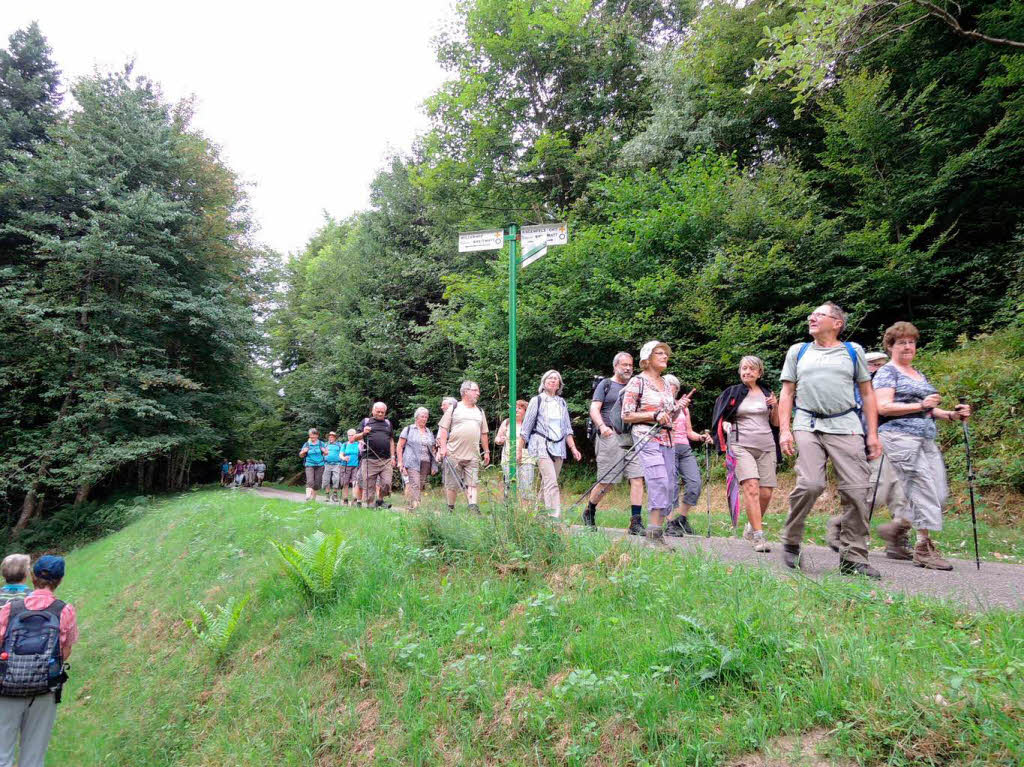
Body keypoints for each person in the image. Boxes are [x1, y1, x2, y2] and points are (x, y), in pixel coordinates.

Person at [778, 302, 882, 578]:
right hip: (808, 423)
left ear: (837, 323)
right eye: (811, 314)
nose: (812, 317)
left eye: (820, 314)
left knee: (857, 490)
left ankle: (853, 558)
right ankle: (791, 539)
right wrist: (785, 430)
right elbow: (787, 393)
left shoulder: (853, 351)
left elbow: (868, 394)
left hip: (846, 424)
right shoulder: (798, 351)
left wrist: (872, 434)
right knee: (811, 483)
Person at [872, 322, 971, 570]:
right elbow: (883, 407)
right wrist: (921, 406)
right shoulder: (887, 372)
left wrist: (951, 415)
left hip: (925, 436)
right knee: (922, 487)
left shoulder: (917, 374)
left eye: (912, 342)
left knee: (938, 490)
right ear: (891, 346)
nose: (908, 346)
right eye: (902, 342)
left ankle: (896, 528)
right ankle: (923, 547)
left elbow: (927, 408)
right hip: (899, 437)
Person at [0, 555, 79, 767]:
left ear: (32, 577)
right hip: (45, 689)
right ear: (60, 580)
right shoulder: (65, 611)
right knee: (33, 757)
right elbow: (65, 651)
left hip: (6, 687)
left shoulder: (10, 609)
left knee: (2, 754)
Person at [710, 357, 782, 553]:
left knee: (766, 493)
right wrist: (724, 427)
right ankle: (759, 537)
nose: (747, 372)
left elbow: (776, 423)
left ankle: (751, 527)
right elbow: (720, 416)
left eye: (751, 369)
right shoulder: (732, 392)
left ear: (759, 373)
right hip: (741, 445)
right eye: (743, 368)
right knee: (751, 488)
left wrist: (775, 405)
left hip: (767, 446)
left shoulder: (768, 393)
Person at [621, 341, 680, 544]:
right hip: (646, 436)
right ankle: (654, 535)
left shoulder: (665, 384)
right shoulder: (638, 381)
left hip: (667, 438)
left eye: (666, 354)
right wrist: (654, 415)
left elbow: (669, 413)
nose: (665, 357)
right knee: (659, 481)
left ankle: (656, 533)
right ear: (647, 358)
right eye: (659, 353)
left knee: (670, 486)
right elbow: (626, 415)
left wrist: (677, 408)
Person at [584, 352, 646, 534]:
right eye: (624, 365)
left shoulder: (636, 387)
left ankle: (635, 522)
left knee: (637, 477)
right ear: (615, 367)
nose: (628, 368)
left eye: (630, 365)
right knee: (608, 481)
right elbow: (594, 408)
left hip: (632, 436)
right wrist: (602, 427)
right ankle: (589, 510)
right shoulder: (606, 385)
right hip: (609, 434)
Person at [518, 371, 583, 518]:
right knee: (551, 482)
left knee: (546, 484)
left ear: (559, 384)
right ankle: (554, 519)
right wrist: (519, 449)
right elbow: (526, 427)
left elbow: (567, 428)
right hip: (541, 445)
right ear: (544, 381)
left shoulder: (562, 403)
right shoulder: (537, 400)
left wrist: (573, 448)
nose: (553, 381)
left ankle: (539, 517)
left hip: (559, 447)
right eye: (550, 378)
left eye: (556, 379)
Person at [662, 374, 713, 538]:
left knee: (695, 483)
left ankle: (681, 519)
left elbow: (689, 432)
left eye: (674, 387)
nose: (672, 389)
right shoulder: (660, 405)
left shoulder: (684, 408)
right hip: (668, 447)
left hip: (684, 449)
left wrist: (701, 437)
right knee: (672, 485)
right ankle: (669, 524)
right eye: (668, 386)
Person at [437, 381, 490, 513]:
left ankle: (473, 507)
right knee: (452, 485)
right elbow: (443, 429)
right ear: (466, 391)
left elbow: (484, 433)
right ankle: (450, 508)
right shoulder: (454, 408)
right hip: (453, 453)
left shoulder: (480, 411)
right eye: (475, 390)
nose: (478, 393)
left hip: (473, 455)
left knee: (472, 483)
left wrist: (487, 451)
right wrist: (443, 448)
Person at [354, 403, 396, 508]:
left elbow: (391, 440)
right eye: (378, 412)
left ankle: (380, 500)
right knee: (369, 485)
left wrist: (393, 456)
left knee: (387, 482)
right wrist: (363, 433)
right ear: (373, 411)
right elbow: (354, 437)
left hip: (385, 459)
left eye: (383, 412)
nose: (380, 414)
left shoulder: (387, 423)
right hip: (369, 459)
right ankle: (370, 505)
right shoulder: (366, 421)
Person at [495, 401, 536, 501]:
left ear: (526, 411)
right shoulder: (507, 422)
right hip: (508, 458)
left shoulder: (530, 424)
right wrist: (500, 440)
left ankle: (524, 511)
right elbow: (497, 439)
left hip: (527, 458)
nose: (516, 410)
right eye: (514, 408)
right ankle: (510, 509)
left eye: (520, 408)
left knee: (526, 487)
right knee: (510, 485)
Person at [398, 408, 438, 509]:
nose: (424, 419)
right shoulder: (409, 429)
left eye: (426, 417)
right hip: (411, 461)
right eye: (422, 417)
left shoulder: (429, 432)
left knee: (419, 485)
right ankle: (417, 507)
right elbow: (400, 446)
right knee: (415, 483)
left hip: (425, 462)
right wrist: (400, 462)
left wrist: (434, 465)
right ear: (416, 417)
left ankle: (411, 505)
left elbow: (432, 450)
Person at [299, 429, 327, 502]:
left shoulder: (321, 444)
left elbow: (326, 453)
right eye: (311, 436)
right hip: (309, 464)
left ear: (317, 436)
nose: (312, 438)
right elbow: (301, 455)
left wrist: (324, 451)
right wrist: (303, 451)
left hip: (320, 465)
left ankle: (313, 499)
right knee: (310, 481)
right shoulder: (306, 444)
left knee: (317, 483)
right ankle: (308, 496)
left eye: (314, 437)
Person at [322, 432, 346, 503]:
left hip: (337, 464)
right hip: (326, 464)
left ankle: (335, 495)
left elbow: (343, 453)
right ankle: (327, 495)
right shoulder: (325, 444)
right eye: (330, 437)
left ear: (335, 438)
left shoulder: (339, 445)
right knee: (326, 480)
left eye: (332, 437)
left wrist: (342, 460)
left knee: (336, 479)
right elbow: (322, 453)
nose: (331, 438)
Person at [340, 430, 361, 506]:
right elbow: (341, 454)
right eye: (349, 435)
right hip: (345, 466)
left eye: (352, 435)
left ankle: (354, 500)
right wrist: (343, 458)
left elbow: (362, 452)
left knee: (355, 483)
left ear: (355, 436)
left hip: (355, 466)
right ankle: (345, 500)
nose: (350, 437)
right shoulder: (345, 444)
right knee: (345, 483)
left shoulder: (358, 444)